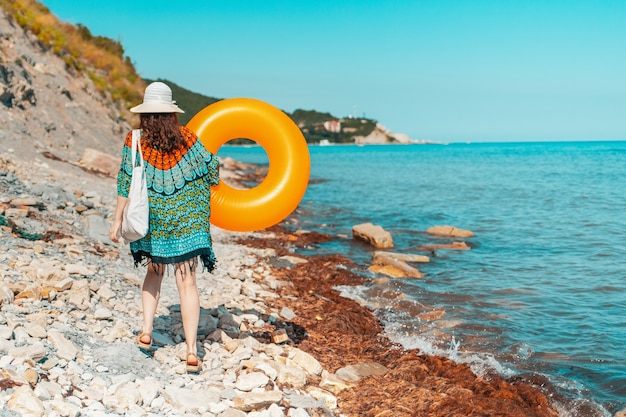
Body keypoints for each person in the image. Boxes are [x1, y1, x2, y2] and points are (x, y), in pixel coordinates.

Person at [109, 81, 219, 373]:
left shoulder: (135, 140)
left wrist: (117, 219)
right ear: (172, 113)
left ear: (145, 114)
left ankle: (146, 332)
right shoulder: (189, 139)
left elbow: (124, 181)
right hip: (186, 223)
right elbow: (212, 170)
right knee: (188, 283)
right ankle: (193, 351)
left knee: (153, 274)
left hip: (152, 222)